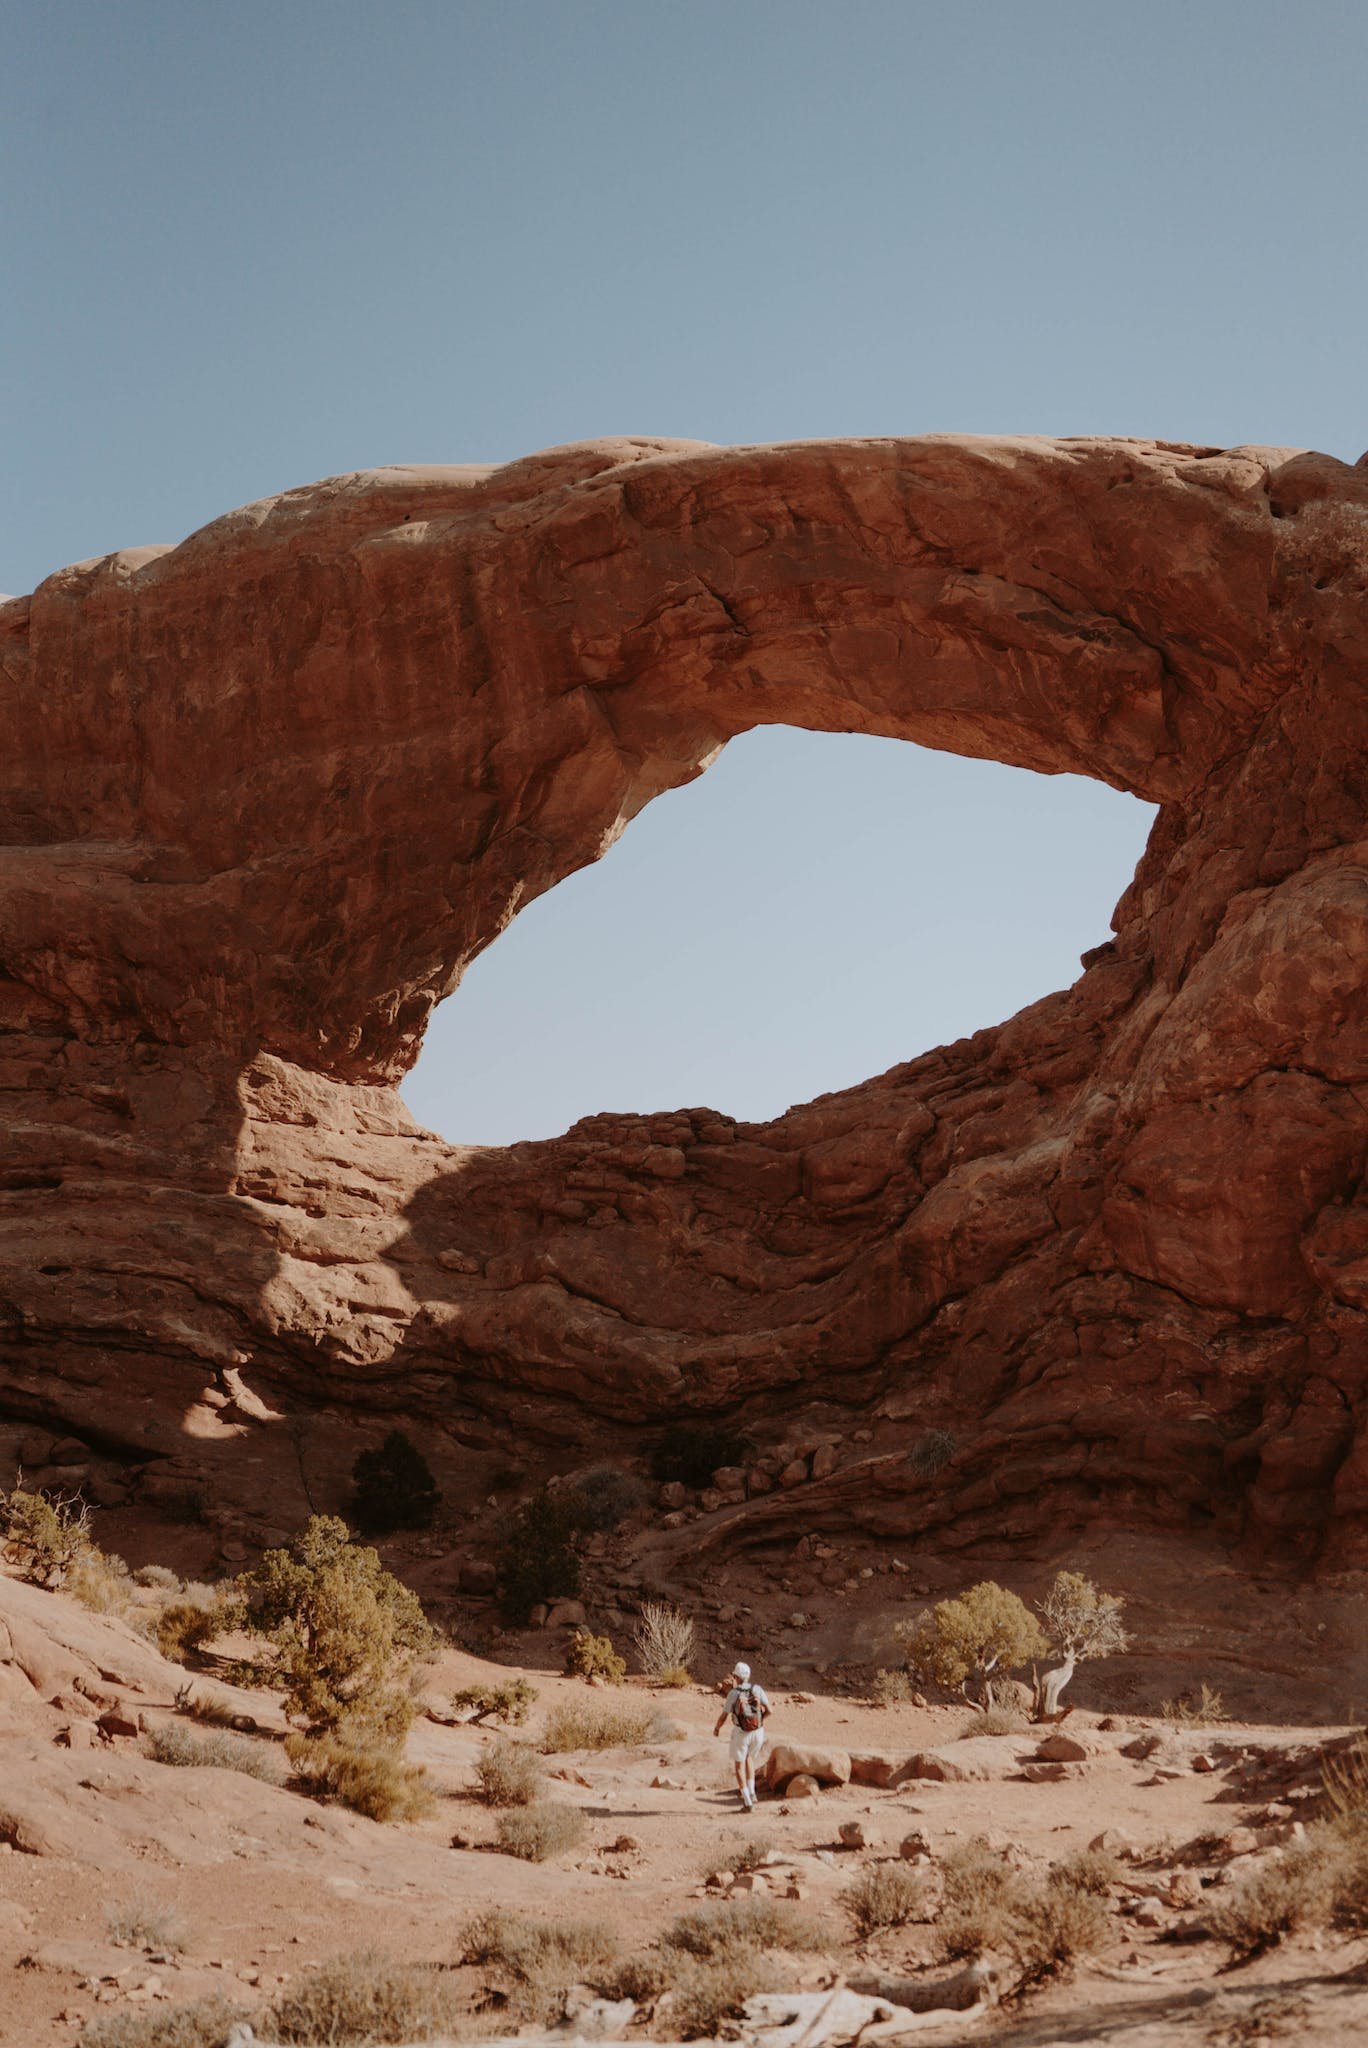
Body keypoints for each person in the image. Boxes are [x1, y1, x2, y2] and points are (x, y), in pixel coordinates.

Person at [713, 1659, 771, 1810]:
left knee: (739, 1766)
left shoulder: (734, 1693)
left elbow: (724, 1715)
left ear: (736, 1677)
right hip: (758, 1732)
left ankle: (747, 1802)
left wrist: (717, 1728)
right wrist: (759, 1723)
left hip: (741, 1733)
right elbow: (770, 1710)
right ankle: (752, 1793)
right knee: (749, 1759)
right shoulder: (757, 1689)